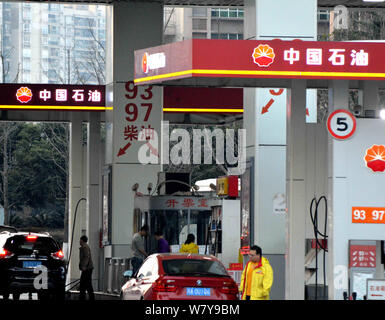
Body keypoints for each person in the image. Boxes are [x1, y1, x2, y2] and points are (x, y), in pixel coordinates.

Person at [79, 235, 95, 301]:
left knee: (86, 284)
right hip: (87, 268)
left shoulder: (85, 247)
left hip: (87, 269)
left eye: (80, 240)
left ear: (82, 240)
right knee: (85, 284)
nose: (79, 241)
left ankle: (89, 298)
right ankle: (84, 297)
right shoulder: (84, 247)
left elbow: (86, 257)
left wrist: (84, 266)